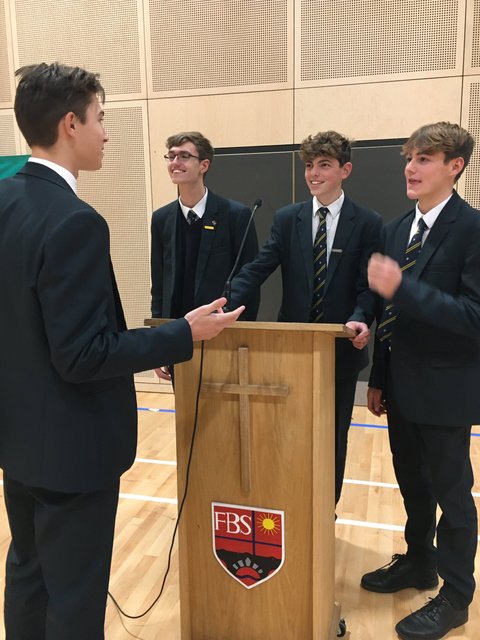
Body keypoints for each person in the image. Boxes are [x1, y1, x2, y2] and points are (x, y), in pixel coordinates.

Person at [0, 62, 244, 640]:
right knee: (74, 599)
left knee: (28, 576)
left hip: (19, 440)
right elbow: (83, 354)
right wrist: (183, 333)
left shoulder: (6, 201)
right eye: (100, 118)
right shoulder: (74, 222)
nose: (107, 133)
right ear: (70, 124)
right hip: (73, 448)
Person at [362, 122, 479, 640]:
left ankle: (456, 597)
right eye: (409, 158)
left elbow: (473, 316)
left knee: (452, 496)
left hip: (447, 390)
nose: (411, 168)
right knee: (412, 484)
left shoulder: (472, 229)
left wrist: (403, 288)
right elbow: (389, 316)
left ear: (455, 166)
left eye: (424, 159)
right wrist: (378, 377)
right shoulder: (395, 230)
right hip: (401, 387)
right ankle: (419, 562)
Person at [230, 130, 382, 505]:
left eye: (324, 165)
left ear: (345, 170)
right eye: (309, 165)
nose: (314, 174)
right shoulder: (287, 219)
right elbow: (259, 267)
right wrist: (224, 300)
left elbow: (369, 287)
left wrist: (361, 318)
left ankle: (326, 511)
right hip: (292, 350)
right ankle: (293, 506)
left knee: (333, 437)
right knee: (289, 432)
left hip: (341, 352)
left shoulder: (368, 222)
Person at [150, 131, 260, 380]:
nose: (175, 162)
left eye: (184, 156)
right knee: (185, 405)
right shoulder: (161, 219)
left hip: (223, 335)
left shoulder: (236, 215)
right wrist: (158, 341)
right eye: (171, 156)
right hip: (178, 335)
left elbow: (250, 281)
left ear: (204, 165)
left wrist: (240, 332)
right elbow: (159, 284)